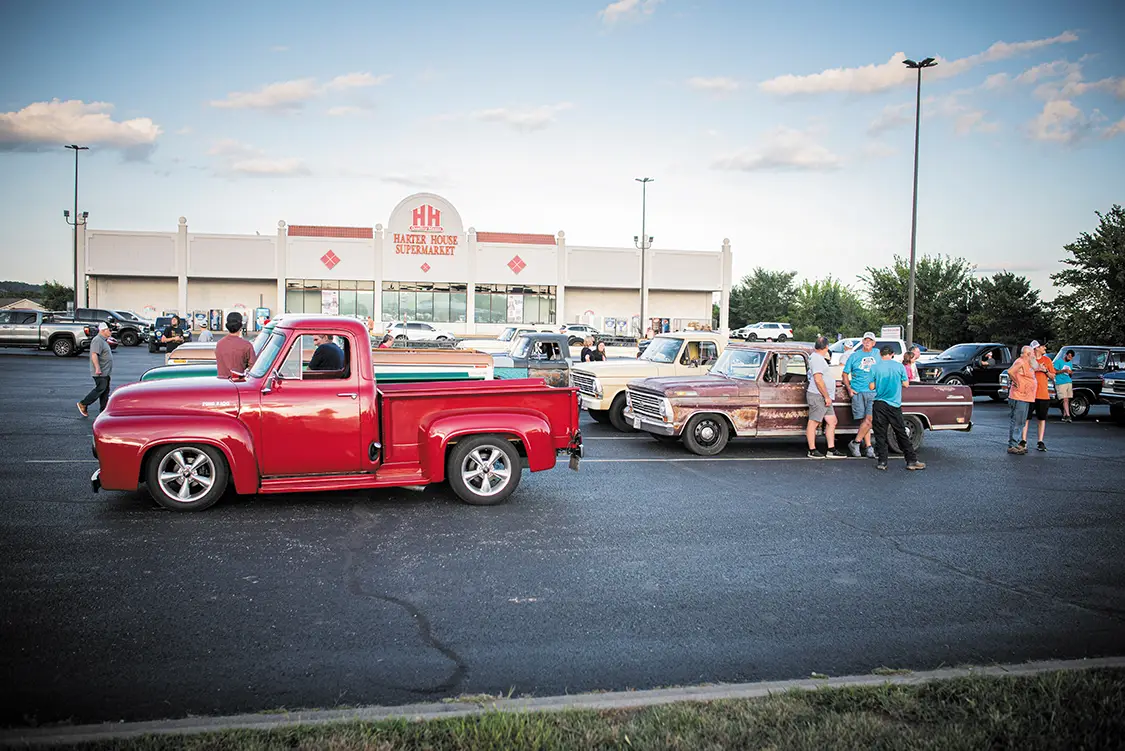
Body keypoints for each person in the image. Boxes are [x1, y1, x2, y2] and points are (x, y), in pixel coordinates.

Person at [869, 345, 925, 471]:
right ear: (892, 354)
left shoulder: (874, 367)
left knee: (880, 434)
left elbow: (872, 386)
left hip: (879, 404)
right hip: (894, 404)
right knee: (900, 433)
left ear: (880, 354)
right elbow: (906, 384)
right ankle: (911, 460)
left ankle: (882, 462)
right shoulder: (899, 366)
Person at [806, 337, 846, 459]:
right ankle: (812, 450)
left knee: (832, 421)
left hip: (824, 395)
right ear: (827, 347)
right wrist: (826, 396)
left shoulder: (818, 358)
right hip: (819, 395)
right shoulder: (817, 359)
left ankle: (831, 449)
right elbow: (818, 379)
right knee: (814, 422)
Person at [843, 332, 880, 459]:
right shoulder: (854, 356)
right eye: (865, 340)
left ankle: (856, 442)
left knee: (869, 420)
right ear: (862, 342)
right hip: (858, 391)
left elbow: (885, 368)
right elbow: (845, 374)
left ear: (874, 343)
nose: (867, 342)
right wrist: (849, 389)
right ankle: (869, 446)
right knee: (864, 421)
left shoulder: (878, 354)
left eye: (870, 340)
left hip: (873, 392)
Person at [1023, 340, 1056, 452]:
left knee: (1041, 418)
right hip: (1029, 394)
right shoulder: (1029, 360)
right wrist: (1035, 368)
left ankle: (1040, 441)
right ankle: (1023, 441)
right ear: (1037, 348)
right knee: (1026, 418)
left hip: (1042, 394)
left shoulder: (1047, 360)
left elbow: (1052, 376)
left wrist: (1045, 370)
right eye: (1043, 347)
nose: (1044, 349)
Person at [77, 322, 114, 417]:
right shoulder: (97, 340)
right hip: (100, 372)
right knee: (100, 389)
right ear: (103, 330)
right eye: (109, 330)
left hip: (105, 372)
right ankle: (83, 403)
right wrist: (97, 368)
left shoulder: (103, 340)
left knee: (105, 391)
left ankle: (103, 411)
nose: (111, 332)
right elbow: (94, 354)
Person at [1006, 346, 1037, 454]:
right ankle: (1012, 445)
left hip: (1025, 397)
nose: (1033, 355)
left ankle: (1017, 443)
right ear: (1027, 354)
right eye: (1032, 353)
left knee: (1021, 421)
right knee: (1017, 421)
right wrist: (1016, 383)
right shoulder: (1020, 361)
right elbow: (1010, 372)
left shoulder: (1028, 363)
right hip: (1019, 397)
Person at [215, 312, 256, 378]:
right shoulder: (246, 345)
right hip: (238, 383)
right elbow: (253, 367)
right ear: (241, 326)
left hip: (221, 384)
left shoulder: (219, 344)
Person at [1053, 349, 1076, 422]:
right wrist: (1063, 371)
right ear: (1066, 355)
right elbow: (1054, 371)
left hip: (1068, 381)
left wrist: (1070, 372)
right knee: (1064, 399)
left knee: (1067, 399)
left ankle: (1064, 415)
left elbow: (1070, 372)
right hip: (1060, 382)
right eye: (1069, 356)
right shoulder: (1058, 362)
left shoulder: (1070, 363)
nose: (1069, 358)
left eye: (1071, 357)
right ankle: (1068, 415)